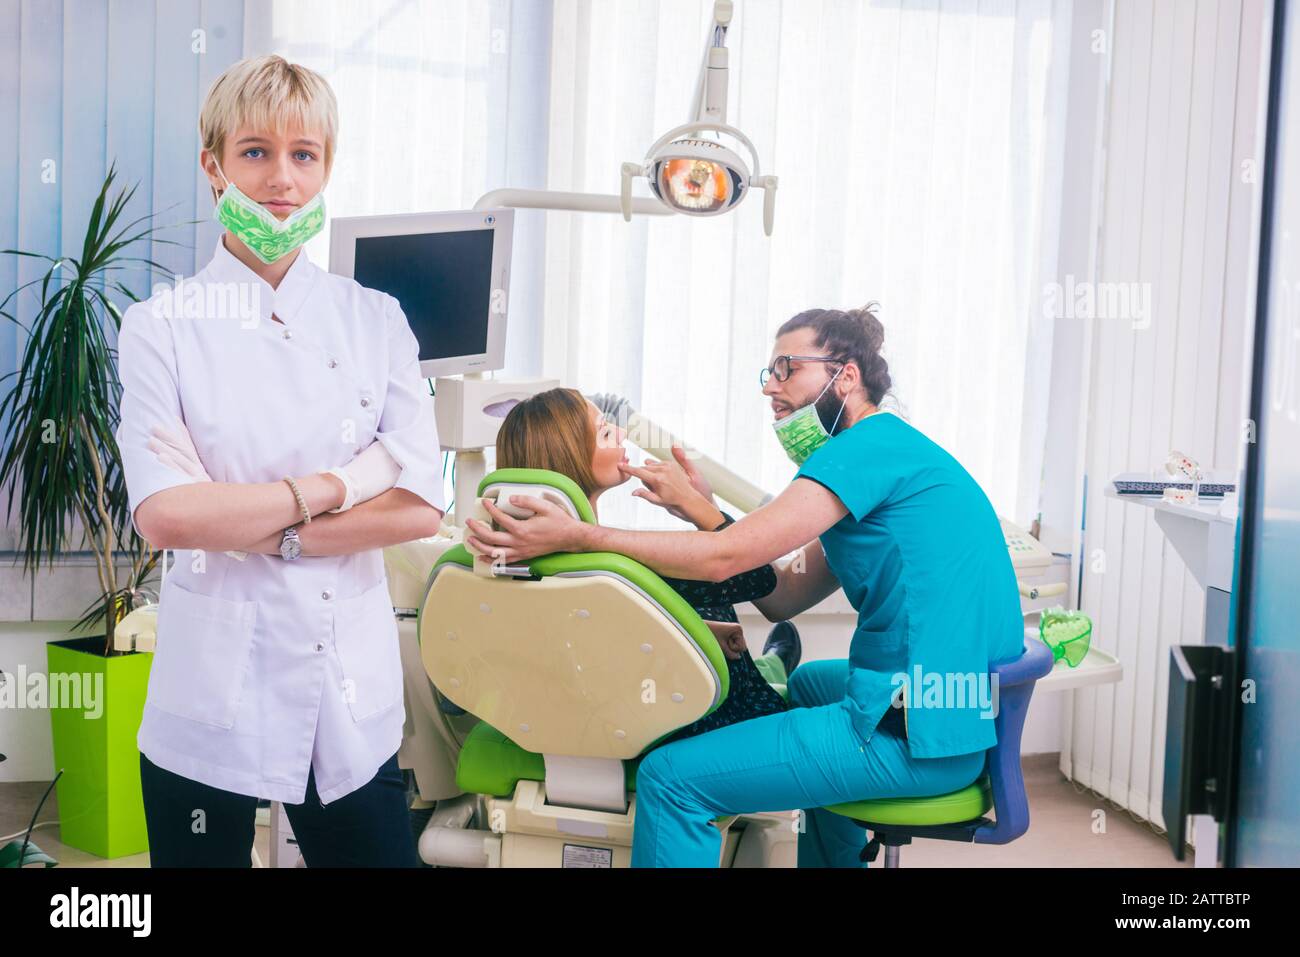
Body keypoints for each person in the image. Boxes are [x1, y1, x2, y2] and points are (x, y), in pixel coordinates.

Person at [465, 305, 1025, 867]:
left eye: (788, 368)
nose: (771, 388)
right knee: (803, 686)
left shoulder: (861, 453)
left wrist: (587, 534)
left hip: (915, 730)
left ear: (846, 376)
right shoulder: (885, 459)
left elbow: (725, 560)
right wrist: (703, 512)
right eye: (769, 373)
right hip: (951, 706)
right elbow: (782, 596)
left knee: (670, 781)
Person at [116, 55, 444, 867]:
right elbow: (167, 515)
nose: (280, 178)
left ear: (327, 167)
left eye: (304, 154)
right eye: (255, 151)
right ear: (213, 165)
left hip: (345, 685)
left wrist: (255, 522)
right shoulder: (162, 326)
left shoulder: (376, 320)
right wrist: (342, 483)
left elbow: (418, 508)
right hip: (210, 686)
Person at [492, 387, 801, 742]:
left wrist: (705, 629)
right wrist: (700, 507)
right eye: (607, 432)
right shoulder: (615, 570)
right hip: (691, 721)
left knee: (706, 610)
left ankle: (771, 662)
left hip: (593, 708)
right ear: (571, 457)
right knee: (715, 595)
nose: (622, 434)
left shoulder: (515, 560)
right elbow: (758, 577)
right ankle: (773, 671)